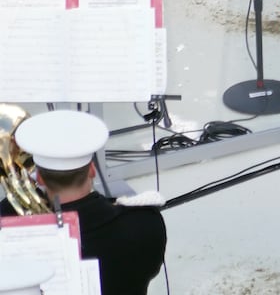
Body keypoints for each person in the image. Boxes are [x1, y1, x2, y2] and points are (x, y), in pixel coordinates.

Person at [7, 110, 167, 295]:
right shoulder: (145, 222)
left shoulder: (13, 232)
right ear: (92, 170)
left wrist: (24, 191)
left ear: (39, 178)